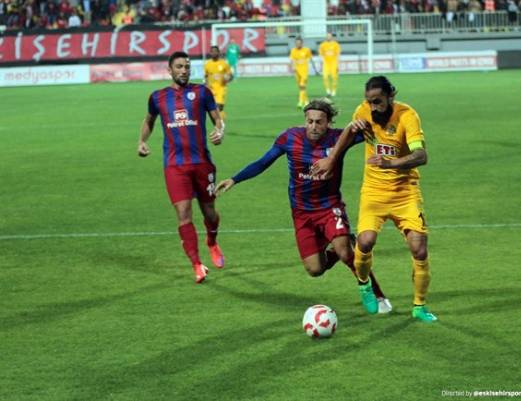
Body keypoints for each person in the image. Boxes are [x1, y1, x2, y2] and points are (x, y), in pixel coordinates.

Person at [216, 99, 392, 313]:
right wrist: (235, 179)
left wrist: (366, 121)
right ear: (305, 120)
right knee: (315, 269)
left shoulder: (338, 138)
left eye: (319, 122)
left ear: (328, 123)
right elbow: (263, 162)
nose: (314, 126)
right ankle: (339, 248)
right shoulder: (290, 138)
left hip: (329, 206)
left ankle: (376, 293)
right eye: (310, 121)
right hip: (301, 213)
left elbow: (375, 130)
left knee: (346, 253)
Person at [311, 76, 437, 322]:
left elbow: (421, 155)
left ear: (391, 96)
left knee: (419, 249)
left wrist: (390, 163)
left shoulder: (407, 116)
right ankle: (363, 282)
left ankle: (419, 306)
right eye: (369, 102)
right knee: (365, 242)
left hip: (405, 191)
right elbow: (348, 133)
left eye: (378, 102)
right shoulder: (364, 111)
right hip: (374, 192)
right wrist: (332, 159)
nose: (373, 107)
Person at [138, 51, 226, 284]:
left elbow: (217, 118)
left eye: (187, 66)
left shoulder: (202, 92)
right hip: (175, 166)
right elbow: (149, 120)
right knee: (184, 214)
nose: (184, 70)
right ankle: (197, 264)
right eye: (179, 67)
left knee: (210, 213)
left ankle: (212, 242)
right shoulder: (158, 97)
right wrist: (142, 141)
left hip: (202, 163)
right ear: (170, 70)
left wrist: (220, 130)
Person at [204, 46, 233, 121]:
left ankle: (220, 125)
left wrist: (228, 78)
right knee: (214, 110)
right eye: (212, 51)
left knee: (219, 106)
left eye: (215, 51)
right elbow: (206, 76)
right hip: (211, 89)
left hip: (221, 88)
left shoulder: (224, 64)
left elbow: (230, 75)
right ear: (210, 53)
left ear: (219, 53)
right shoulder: (207, 64)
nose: (214, 53)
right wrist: (206, 85)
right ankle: (220, 124)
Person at [289, 37, 312, 109]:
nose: (298, 44)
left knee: (302, 86)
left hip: (304, 71)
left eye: (299, 43)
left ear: (302, 43)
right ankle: (307, 101)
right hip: (297, 71)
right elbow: (292, 60)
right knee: (301, 88)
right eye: (296, 43)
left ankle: (300, 102)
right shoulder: (293, 50)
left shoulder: (306, 50)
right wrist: (293, 67)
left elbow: (309, 59)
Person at [318, 32, 341, 97]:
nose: (328, 37)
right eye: (327, 36)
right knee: (325, 77)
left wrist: (338, 64)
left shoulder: (336, 45)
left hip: (334, 63)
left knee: (334, 77)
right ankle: (328, 90)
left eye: (329, 36)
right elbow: (320, 55)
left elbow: (338, 55)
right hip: (326, 64)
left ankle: (333, 91)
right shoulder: (322, 45)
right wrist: (320, 63)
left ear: (332, 37)